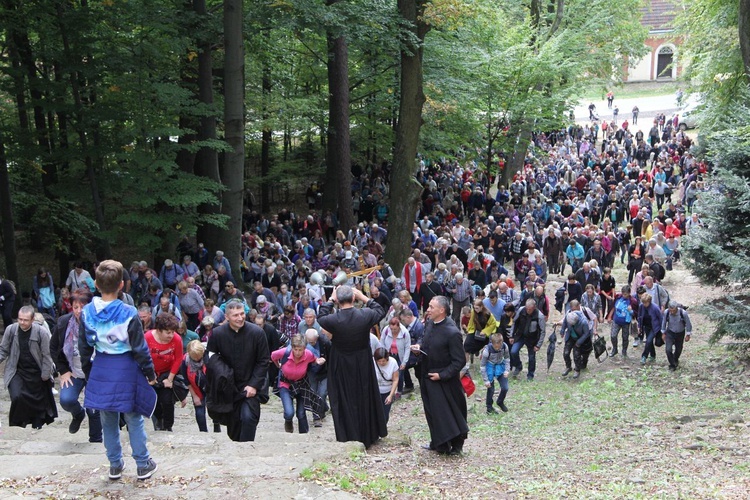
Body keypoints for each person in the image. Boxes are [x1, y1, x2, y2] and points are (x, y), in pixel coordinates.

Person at [79, 260, 158, 481]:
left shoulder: (86, 312)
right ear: (122, 285)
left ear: (96, 283)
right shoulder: (129, 312)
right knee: (134, 418)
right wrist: (150, 374)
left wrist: (89, 374)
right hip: (126, 367)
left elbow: (83, 348)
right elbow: (139, 348)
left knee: (108, 419)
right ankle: (142, 464)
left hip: (101, 367)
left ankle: (115, 465)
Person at [317, 285, 387, 448]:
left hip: (340, 362)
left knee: (344, 397)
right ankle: (368, 433)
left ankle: (348, 435)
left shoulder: (333, 320)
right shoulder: (365, 315)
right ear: (353, 298)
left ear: (338, 301)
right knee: (364, 395)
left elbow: (321, 316)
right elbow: (380, 310)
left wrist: (330, 299)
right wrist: (364, 297)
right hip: (362, 360)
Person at [411, 296, 469, 455]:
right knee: (432, 413)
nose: (427, 310)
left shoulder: (452, 332)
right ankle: (438, 443)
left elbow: (459, 361)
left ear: (442, 310)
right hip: (427, 376)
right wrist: (419, 347)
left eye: (431, 307)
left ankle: (456, 445)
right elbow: (426, 341)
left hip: (445, 380)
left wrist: (442, 375)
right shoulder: (430, 323)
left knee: (450, 413)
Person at [206, 301, 270, 442]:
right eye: (235, 315)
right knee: (234, 425)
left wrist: (254, 385)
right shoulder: (217, 334)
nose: (240, 318)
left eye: (242, 314)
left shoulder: (257, 333)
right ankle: (238, 449)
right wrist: (221, 373)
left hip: (250, 385)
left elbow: (263, 361)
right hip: (229, 387)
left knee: (248, 417)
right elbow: (210, 356)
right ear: (227, 317)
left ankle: (247, 451)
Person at [51, 289, 102, 441]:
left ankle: (96, 439)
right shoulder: (64, 323)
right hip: (74, 370)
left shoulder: (99, 322)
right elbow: (53, 347)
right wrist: (63, 370)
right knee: (66, 400)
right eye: (75, 307)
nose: (79, 311)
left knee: (93, 409)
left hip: (95, 371)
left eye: (83, 307)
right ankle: (77, 414)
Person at [0, 305, 57, 429]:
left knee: (36, 401)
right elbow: (3, 350)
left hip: (36, 371)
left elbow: (47, 355)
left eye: (25, 320)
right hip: (16, 370)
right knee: (17, 396)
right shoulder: (11, 330)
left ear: (32, 320)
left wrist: (46, 374)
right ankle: (18, 423)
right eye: (20, 319)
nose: (22, 322)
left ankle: (36, 424)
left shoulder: (41, 332)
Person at [271, 334, 326, 434]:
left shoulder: (308, 354)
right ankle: (288, 422)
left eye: (300, 350)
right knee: (289, 412)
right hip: (285, 384)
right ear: (292, 348)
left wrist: (319, 361)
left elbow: (314, 360)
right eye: (295, 349)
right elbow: (273, 356)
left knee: (301, 413)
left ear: (304, 348)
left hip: (301, 384)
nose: (297, 352)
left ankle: (303, 434)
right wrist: (278, 365)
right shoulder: (285, 352)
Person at [145, 313, 184, 432]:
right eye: (168, 332)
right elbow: (142, 356)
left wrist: (170, 379)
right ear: (159, 330)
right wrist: (148, 375)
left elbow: (178, 359)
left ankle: (168, 425)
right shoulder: (147, 337)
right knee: (154, 400)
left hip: (167, 372)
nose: (171, 335)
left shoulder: (177, 339)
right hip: (151, 372)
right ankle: (158, 421)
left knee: (167, 400)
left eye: (173, 332)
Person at [180, 340, 213, 432]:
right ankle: (203, 432)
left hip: (211, 386)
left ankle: (216, 427)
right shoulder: (185, 360)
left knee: (214, 409)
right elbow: (186, 380)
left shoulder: (209, 357)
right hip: (196, 387)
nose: (197, 360)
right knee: (199, 410)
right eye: (195, 358)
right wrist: (194, 396)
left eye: (199, 357)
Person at [509, 299, 546, 380]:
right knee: (513, 351)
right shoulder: (521, 310)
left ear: (534, 307)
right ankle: (518, 366)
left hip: (532, 339)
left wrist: (538, 345)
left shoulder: (539, 316)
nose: (528, 311)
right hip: (520, 336)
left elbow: (542, 331)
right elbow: (514, 322)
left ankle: (530, 375)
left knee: (531, 358)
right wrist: (511, 336)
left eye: (530, 309)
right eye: (527, 309)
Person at [305, 328, 331, 426]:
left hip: (324, 371)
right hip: (311, 371)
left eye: (313, 342)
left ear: (317, 338)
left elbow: (331, 357)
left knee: (322, 393)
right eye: (309, 342)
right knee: (313, 394)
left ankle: (320, 412)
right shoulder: (303, 343)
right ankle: (317, 416)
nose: (311, 344)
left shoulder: (325, 343)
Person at [480, 333, 510, 414]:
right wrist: (486, 380)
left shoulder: (505, 346)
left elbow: (507, 358)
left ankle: (500, 401)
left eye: (499, 347)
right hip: (489, 366)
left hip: (500, 365)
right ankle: (489, 407)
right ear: (492, 343)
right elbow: (482, 366)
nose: (497, 348)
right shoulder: (487, 351)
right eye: (495, 347)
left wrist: (507, 370)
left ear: (501, 343)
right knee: (491, 388)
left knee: (505, 387)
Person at [380, 317, 411, 394]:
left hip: (400, 356)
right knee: (389, 373)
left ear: (399, 327)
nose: (393, 331)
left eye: (395, 329)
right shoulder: (386, 330)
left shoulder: (405, 333)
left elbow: (407, 348)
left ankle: (399, 392)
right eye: (391, 329)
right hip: (389, 354)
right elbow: (382, 341)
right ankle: (390, 391)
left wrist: (404, 362)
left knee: (400, 375)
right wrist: (383, 354)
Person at [560, 308, 592, 379]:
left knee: (576, 355)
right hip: (570, 336)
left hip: (579, 338)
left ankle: (577, 370)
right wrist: (562, 331)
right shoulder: (568, 315)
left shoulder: (583, 322)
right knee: (566, 353)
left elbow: (586, 333)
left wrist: (579, 342)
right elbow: (565, 322)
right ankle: (568, 367)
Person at [464, 298, 498, 367]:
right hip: (474, 331)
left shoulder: (488, 314)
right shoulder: (474, 311)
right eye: (474, 308)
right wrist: (469, 330)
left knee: (483, 348)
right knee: (466, 345)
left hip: (484, 334)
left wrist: (485, 331)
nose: (475, 310)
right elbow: (471, 321)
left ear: (481, 307)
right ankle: (465, 365)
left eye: (477, 308)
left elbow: (493, 324)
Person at [661, 301, 693, 371]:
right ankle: (672, 365)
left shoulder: (683, 313)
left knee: (678, 349)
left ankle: (675, 359)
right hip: (670, 332)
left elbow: (688, 324)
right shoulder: (666, 312)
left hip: (680, 333)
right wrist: (663, 333)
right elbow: (663, 323)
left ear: (676, 308)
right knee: (668, 350)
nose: (672, 312)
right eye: (670, 310)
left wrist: (688, 334)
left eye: (673, 310)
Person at [609, 285, 637, 358]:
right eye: (623, 293)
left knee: (625, 337)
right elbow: (613, 307)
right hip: (616, 320)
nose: (624, 295)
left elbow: (636, 313)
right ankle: (615, 349)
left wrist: (631, 311)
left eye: (625, 294)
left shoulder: (632, 301)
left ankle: (624, 351)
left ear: (629, 293)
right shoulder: (618, 297)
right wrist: (610, 316)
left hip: (626, 322)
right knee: (613, 335)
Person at [373, 347, 399, 423]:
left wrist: (391, 395)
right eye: (379, 361)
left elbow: (395, 380)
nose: (381, 363)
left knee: (385, 414)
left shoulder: (393, 362)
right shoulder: (372, 362)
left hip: (388, 390)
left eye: (383, 361)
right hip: (376, 391)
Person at [638, 293, 663, 365]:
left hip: (654, 327)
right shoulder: (641, 306)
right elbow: (639, 316)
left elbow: (660, 318)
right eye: (643, 302)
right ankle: (653, 355)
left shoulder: (655, 307)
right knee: (650, 342)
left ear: (649, 301)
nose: (644, 304)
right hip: (646, 326)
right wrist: (639, 326)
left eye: (646, 302)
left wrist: (662, 330)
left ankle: (644, 356)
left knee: (648, 341)